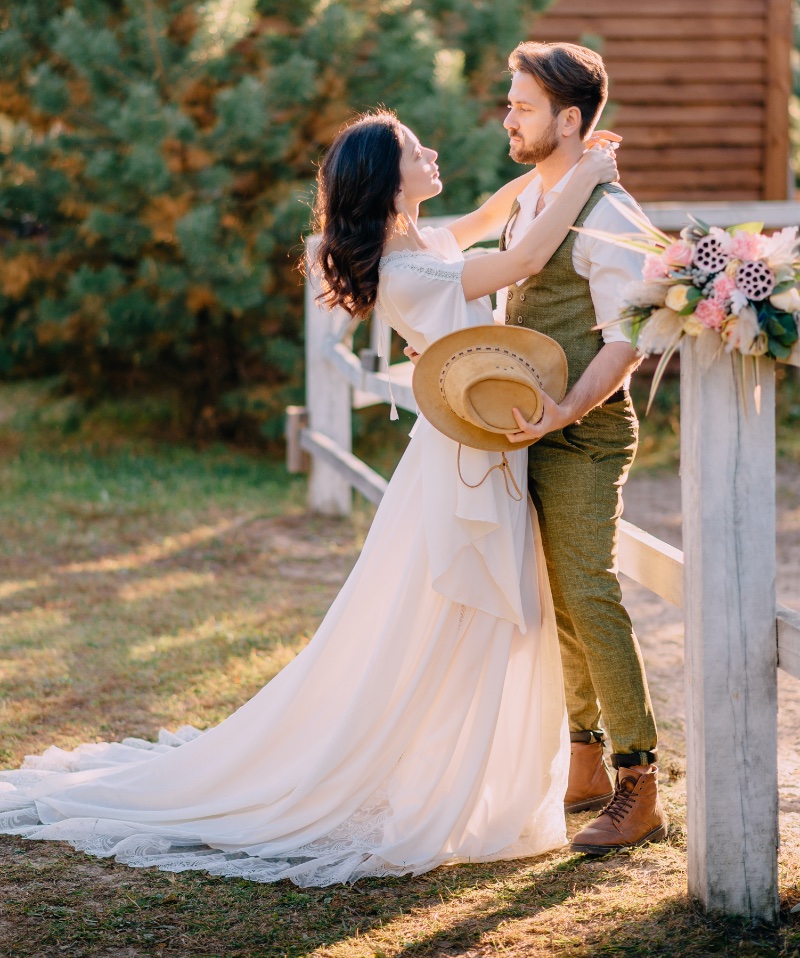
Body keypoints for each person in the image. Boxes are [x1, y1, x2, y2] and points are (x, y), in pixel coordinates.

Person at [0, 112, 617, 885]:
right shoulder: (411, 271)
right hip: (461, 461)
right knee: (455, 616)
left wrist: (560, 164)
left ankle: (460, 768)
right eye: (414, 151)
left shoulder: (426, 243)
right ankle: (435, 778)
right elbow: (525, 252)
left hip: (472, 451)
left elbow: (498, 213)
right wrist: (589, 176)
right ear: (389, 183)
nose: (432, 153)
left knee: (472, 617)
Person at [499, 41, 668, 854]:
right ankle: (584, 761)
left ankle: (640, 782)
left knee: (589, 594)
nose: (508, 116)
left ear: (570, 119)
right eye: (510, 101)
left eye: (523, 106)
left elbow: (629, 334)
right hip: (532, 429)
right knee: (557, 599)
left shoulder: (607, 214)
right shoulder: (542, 197)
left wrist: (564, 408)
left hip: (586, 432)